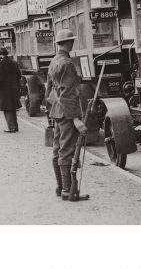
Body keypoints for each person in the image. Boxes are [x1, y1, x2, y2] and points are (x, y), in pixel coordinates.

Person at [45, 29, 87, 201]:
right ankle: (67, 190)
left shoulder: (54, 61)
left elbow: (48, 91)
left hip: (57, 111)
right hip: (67, 113)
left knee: (57, 149)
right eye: (72, 41)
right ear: (69, 43)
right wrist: (75, 118)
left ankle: (60, 186)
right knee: (67, 151)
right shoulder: (67, 64)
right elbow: (68, 93)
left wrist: (54, 108)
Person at [0, 47, 21, 132]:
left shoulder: (1, 63)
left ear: (0, 54)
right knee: (13, 108)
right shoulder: (14, 62)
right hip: (13, 88)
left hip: (5, 89)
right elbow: (19, 76)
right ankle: (16, 126)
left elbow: (1, 78)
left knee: (7, 108)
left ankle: (11, 127)